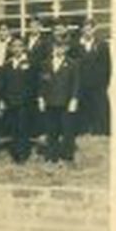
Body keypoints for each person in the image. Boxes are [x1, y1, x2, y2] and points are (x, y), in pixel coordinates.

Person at [39, 36, 80, 164]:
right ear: (53, 48)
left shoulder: (72, 64)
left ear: (66, 48)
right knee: (51, 130)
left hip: (66, 101)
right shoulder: (46, 63)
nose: (59, 49)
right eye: (56, 46)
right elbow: (42, 83)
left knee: (67, 129)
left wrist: (74, 99)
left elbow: (76, 84)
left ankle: (67, 156)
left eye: (62, 47)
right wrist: (41, 98)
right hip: (50, 101)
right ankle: (52, 155)